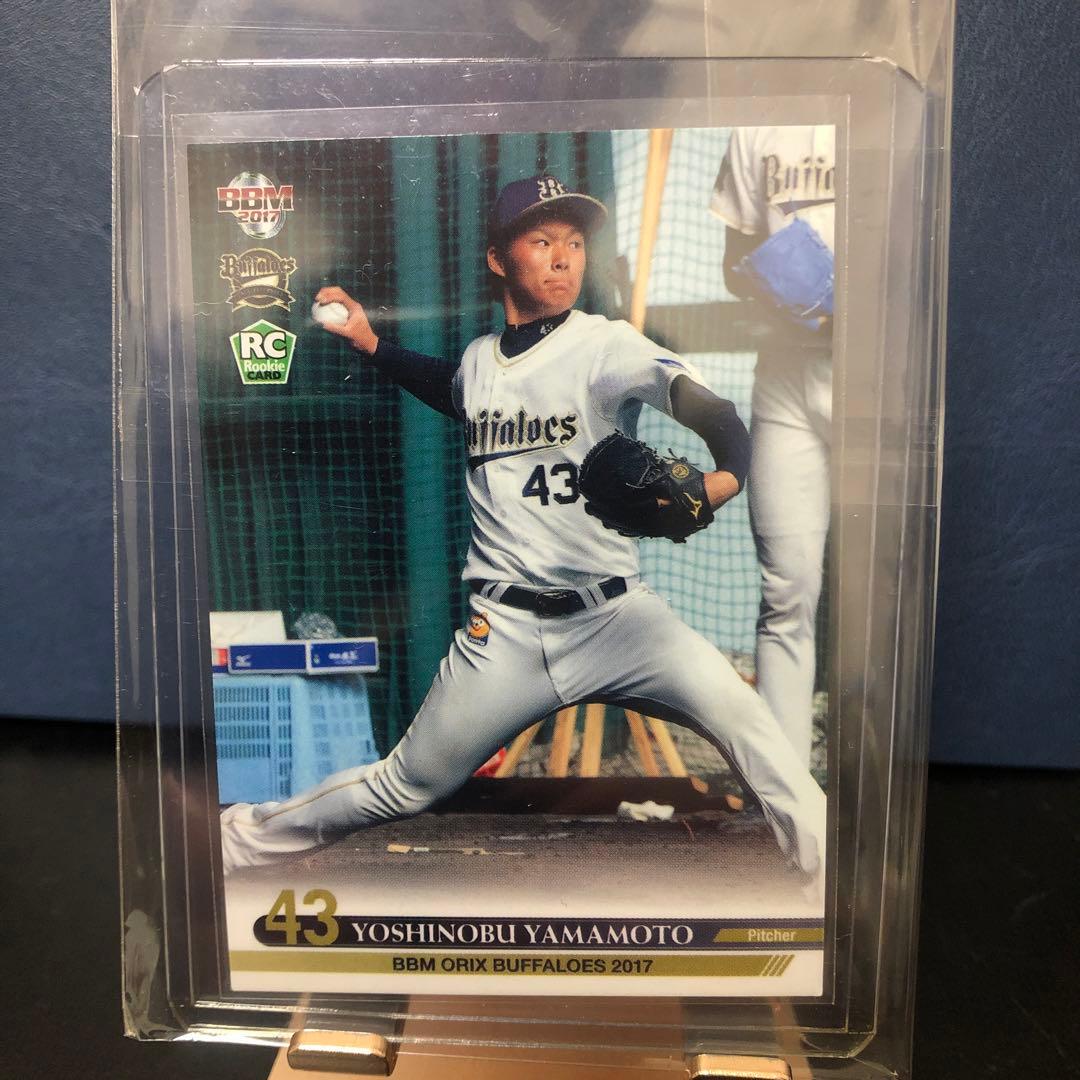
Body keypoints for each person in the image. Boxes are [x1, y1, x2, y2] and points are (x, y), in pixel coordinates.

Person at [219, 174, 826, 893]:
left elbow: (717, 414)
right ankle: (233, 841)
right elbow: (453, 387)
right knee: (405, 784)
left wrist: (719, 483)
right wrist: (370, 343)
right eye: (541, 240)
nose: (563, 257)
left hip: (618, 620)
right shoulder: (481, 360)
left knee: (752, 728)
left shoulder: (606, 345)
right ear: (498, 259)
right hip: (503, 636)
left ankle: (833, 889)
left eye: (574, 242)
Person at [710, 127, 835, 769]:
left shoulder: (886, 103)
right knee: (787, 591)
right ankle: (789, 794)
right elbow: (735, 262)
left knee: (887, 589)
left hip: (878, 372)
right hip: (786, 376)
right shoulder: (758, 123)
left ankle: (874, 782)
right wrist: (793, 285)